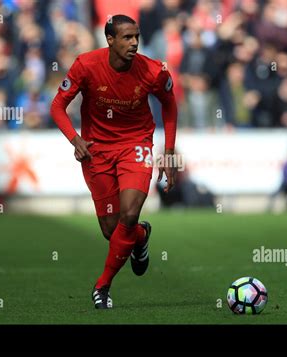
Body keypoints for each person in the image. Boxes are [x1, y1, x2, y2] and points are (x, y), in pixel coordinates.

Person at [50, 15, 178, 309]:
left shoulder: (154, 71)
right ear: (110, 40)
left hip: (136, 145)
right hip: (97, 151)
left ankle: (102, 286)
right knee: (113, 230)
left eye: (137, 37)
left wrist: (168, 151)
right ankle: (141, 236)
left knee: (128, 215)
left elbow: (169, 103)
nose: (134, 43)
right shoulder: (86, 65)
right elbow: (57, 106)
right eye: (127, 37)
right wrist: (75, 140)